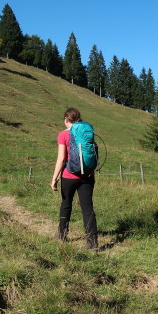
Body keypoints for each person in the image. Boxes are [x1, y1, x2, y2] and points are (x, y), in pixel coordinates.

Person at [51, 107, 98, 250]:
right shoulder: (86, 132)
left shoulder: (63, 135)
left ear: (66, 119)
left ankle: (62, 233)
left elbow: (61, 159)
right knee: (87, 207)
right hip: (87, 176)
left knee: (66, 203)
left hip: (69, 176)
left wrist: (54, 178)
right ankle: (92, 242)